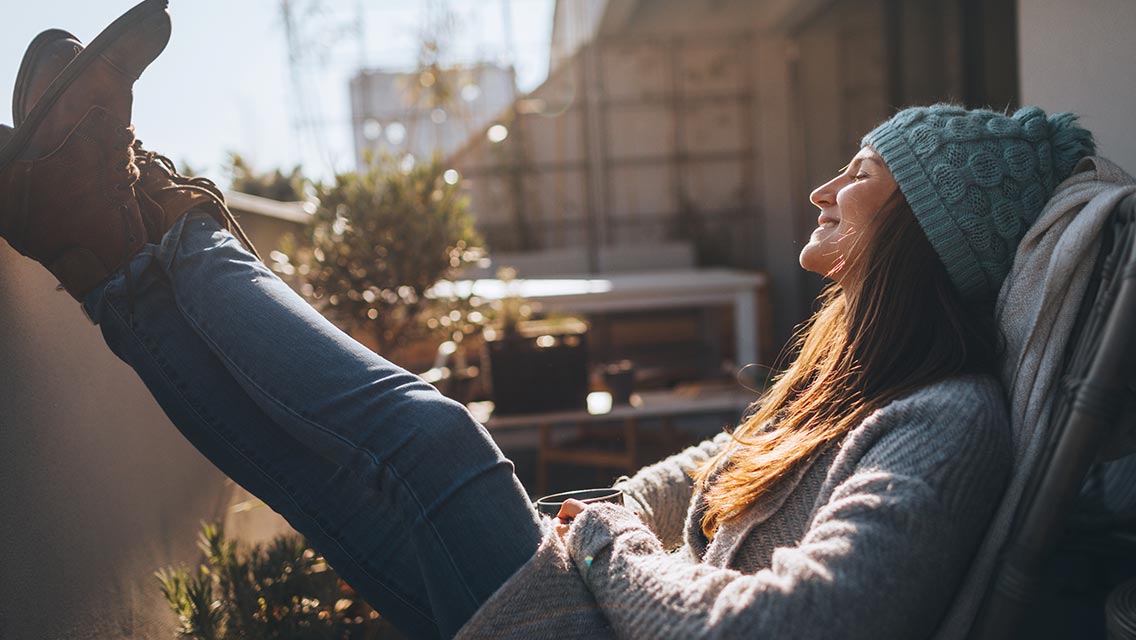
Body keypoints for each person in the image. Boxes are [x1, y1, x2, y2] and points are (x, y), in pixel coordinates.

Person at [0, 3, 1098, 639]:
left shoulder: (948, 424)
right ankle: (102, 252)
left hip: (594, 621)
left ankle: (148, 219)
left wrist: (609, 546)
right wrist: (619, 501)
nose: (820, 187)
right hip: (585, 611)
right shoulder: (867, 393)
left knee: (429, 438)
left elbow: (795, 628)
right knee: (325, 477)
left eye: (859, 173)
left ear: (923, 230)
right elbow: (724, 465)